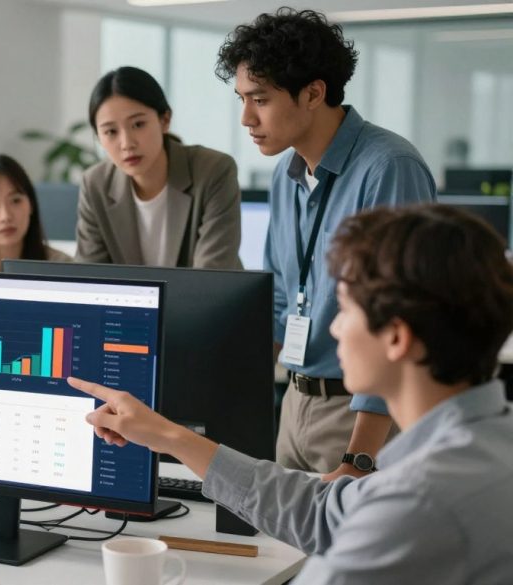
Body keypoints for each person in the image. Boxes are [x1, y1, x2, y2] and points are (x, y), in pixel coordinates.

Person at [70, 205, 513, 584]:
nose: (334, 328)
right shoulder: (483, 445)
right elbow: (322, 512)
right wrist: (167, 436)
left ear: (396, 337)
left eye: (345, 309)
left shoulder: (418, 501)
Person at [215, 8, 437, 478]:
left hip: (359, 415)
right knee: (285, 552)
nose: (246, 118)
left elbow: (400, 317)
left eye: (260, 99)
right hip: (294, 402)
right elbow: (280, 297)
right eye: (241, 99)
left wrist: (360, 456)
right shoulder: (286, 174)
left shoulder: (388, 167)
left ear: (314, 92)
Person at [76, 66, 242, 269]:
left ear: (165, 120)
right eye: (111, 131)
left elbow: (212, 275)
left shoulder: (212, 171)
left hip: (210, 300)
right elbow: (91, 276)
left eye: (138, 124)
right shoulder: (95, 185)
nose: (127, 143)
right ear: (98, 138)